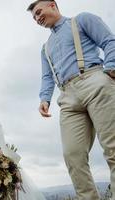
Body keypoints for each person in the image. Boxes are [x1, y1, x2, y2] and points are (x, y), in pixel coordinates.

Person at [27, 0, 115, 199]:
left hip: (94, 81)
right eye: (34, 17)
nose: (38, 18)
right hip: (67, 97)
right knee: (72, 155)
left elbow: (109, 41)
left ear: (53, 5)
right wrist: (45, 98)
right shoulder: (45, 48)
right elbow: (47, 76)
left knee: (113, 147)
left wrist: (111, 66)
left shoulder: (81, 20)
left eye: (39, 12)